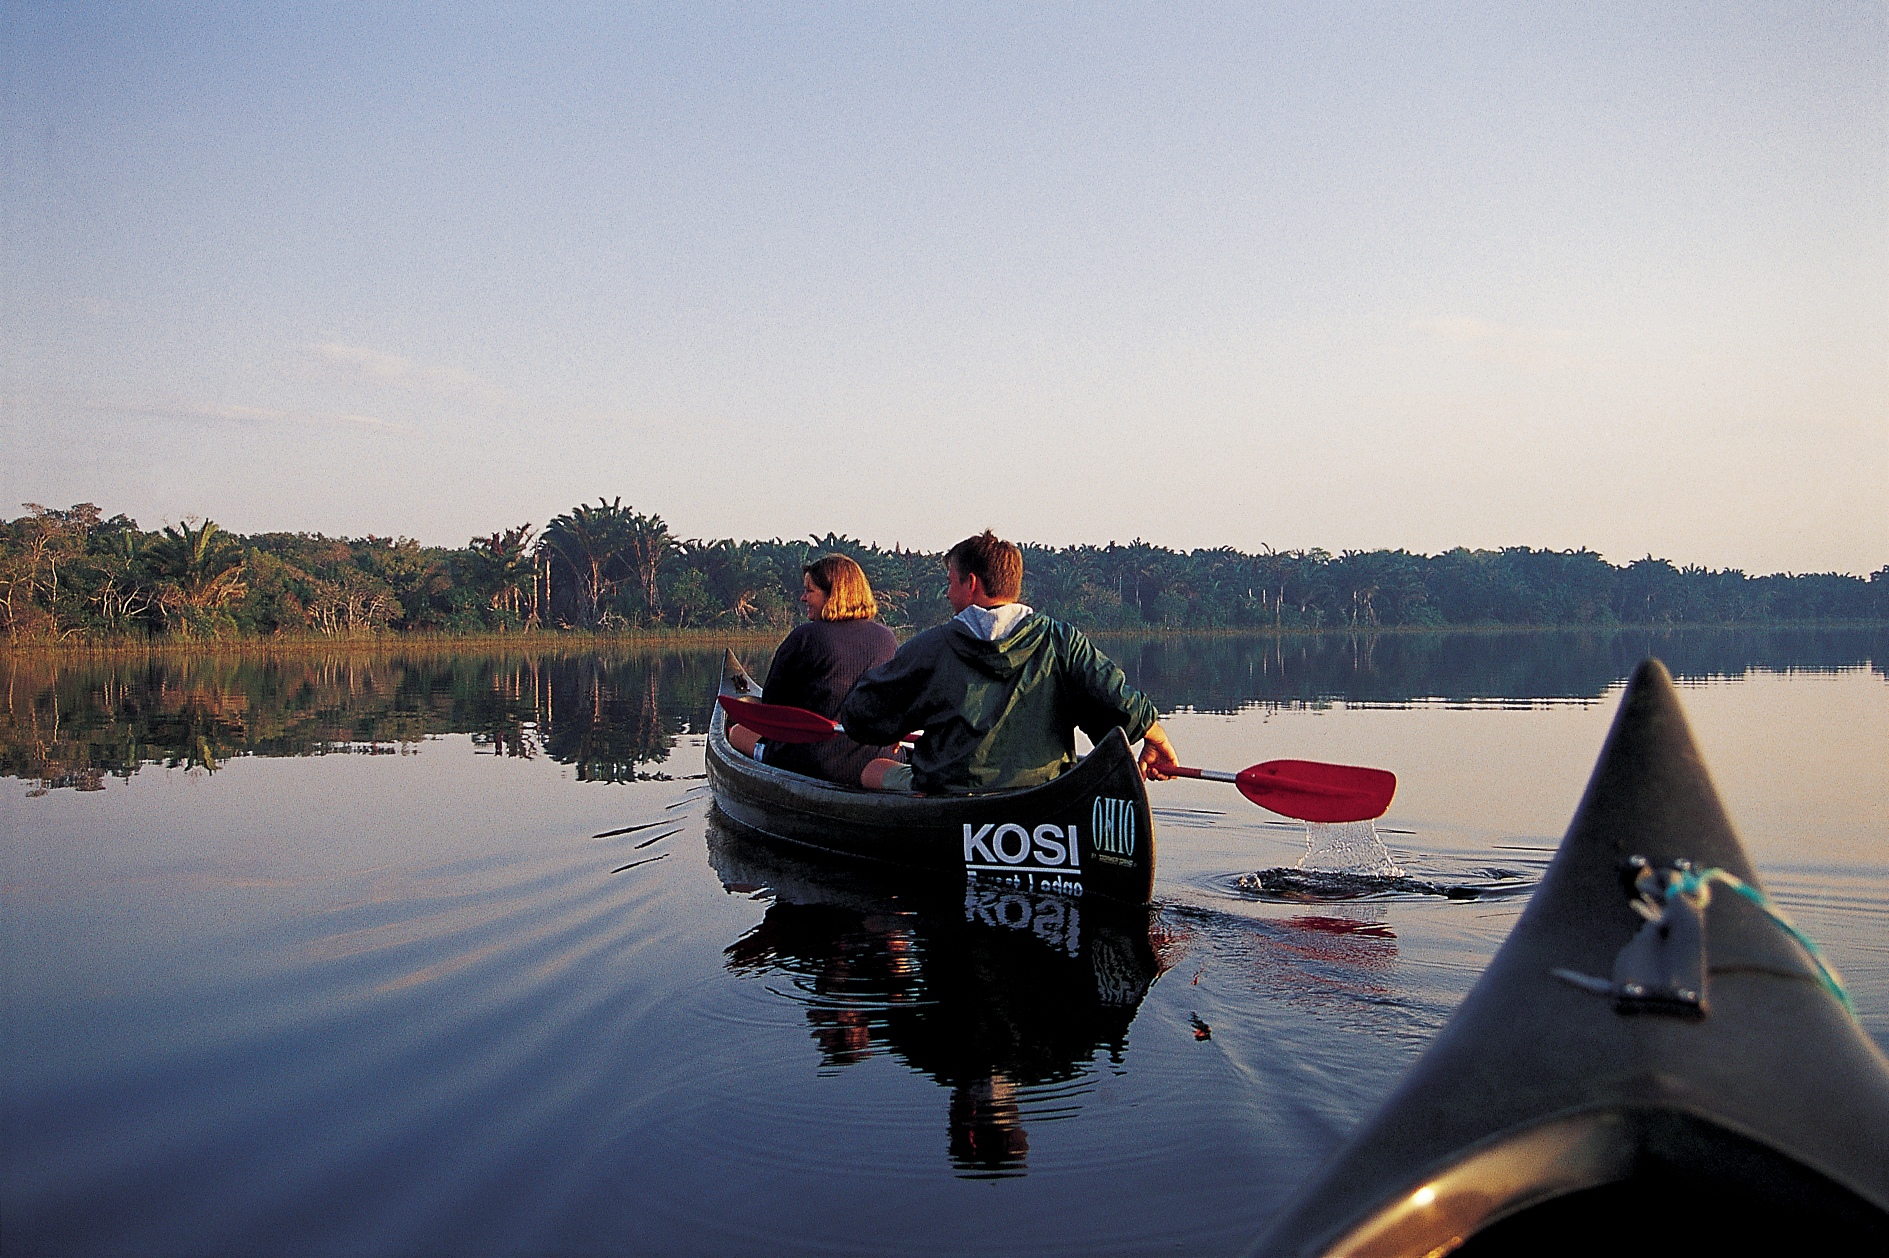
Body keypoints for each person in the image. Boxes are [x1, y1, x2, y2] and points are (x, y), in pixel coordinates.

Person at [840, 531, 1180, 794]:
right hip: (1043, 795)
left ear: (970, 583)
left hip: (953, 797)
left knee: (874, 768)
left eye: (949, 582)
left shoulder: (931, 647)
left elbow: (861, 716)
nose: (946, 594)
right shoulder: (1061, 641)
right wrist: (1157, 739)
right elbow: (1118, 699)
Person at [727, 554, 901, 786]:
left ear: (833, 595)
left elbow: (772, 706)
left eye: (810, 591)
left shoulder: (805, 637)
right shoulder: (887, 638)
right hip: (877, 760)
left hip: (817, 762)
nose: (803, 598)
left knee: (737, 732)